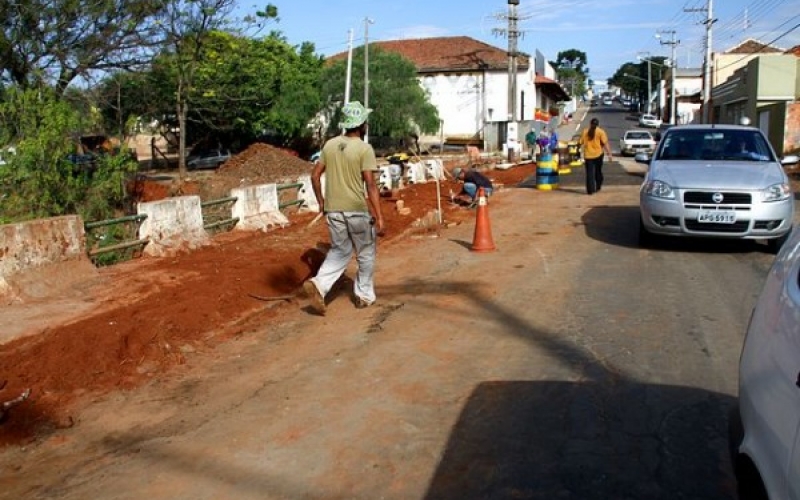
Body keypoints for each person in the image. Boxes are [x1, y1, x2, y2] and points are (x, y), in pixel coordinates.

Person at [303, 101, 385, 315]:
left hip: (333, 210)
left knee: (340, 250)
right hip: (357, 210)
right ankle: (364, 296)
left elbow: (314, 175)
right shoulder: (364, 149)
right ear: (361, 124)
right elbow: (370, 184)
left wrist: (322, 202)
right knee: (365, 254)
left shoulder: (330, 145)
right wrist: (380, 216)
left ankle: (320, 284)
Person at [579, 117, 612, 195]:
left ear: (590, 124)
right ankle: (598, 186)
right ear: (598, 124)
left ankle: (590, 190)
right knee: (598, 171)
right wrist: (609, 154)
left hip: (588, 155)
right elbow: (605, 143)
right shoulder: (600, 132)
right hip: (598, 155)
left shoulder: (585, 131)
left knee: (589, 173)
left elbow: (581, 142)